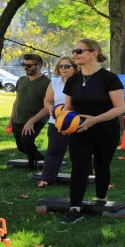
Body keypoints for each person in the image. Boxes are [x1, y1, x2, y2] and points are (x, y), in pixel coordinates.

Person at [61, 39, 125, 224]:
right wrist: (64, 122)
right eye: (74, 51)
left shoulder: (109, 78)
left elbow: (119, 107)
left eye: (79, 51)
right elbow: (68, 107)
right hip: (79, 131)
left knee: (102, 165)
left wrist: (94, 120)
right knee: (79, 167)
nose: (75, 54)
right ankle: (75, 208)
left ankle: (101, 197)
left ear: (94, 53)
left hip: (105, 130)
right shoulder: (73, 80)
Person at [7, 53, 51, 169]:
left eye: (29, 65)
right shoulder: (21, 80)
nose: (25, 68)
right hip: (19, 118)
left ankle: (32, 165)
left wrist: (32, 121)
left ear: (39, 66)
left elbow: (47, 106)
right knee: (21, 146)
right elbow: (16, 101)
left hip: (36, 118)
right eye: (24, 65)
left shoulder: (46, 83)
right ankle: (42, 159)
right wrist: (11, 120)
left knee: (27, 141)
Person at [39, 57, 77, 187]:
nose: (63, 69)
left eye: (67, 66)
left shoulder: (81, 82)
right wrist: (51, 109)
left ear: (75, 68)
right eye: (61, 66)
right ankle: (47, 179)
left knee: (79, 152)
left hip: (76, 122)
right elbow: (47, 101)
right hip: (55, 122)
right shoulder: (54, 82)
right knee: (54, 151)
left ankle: (86, 178)